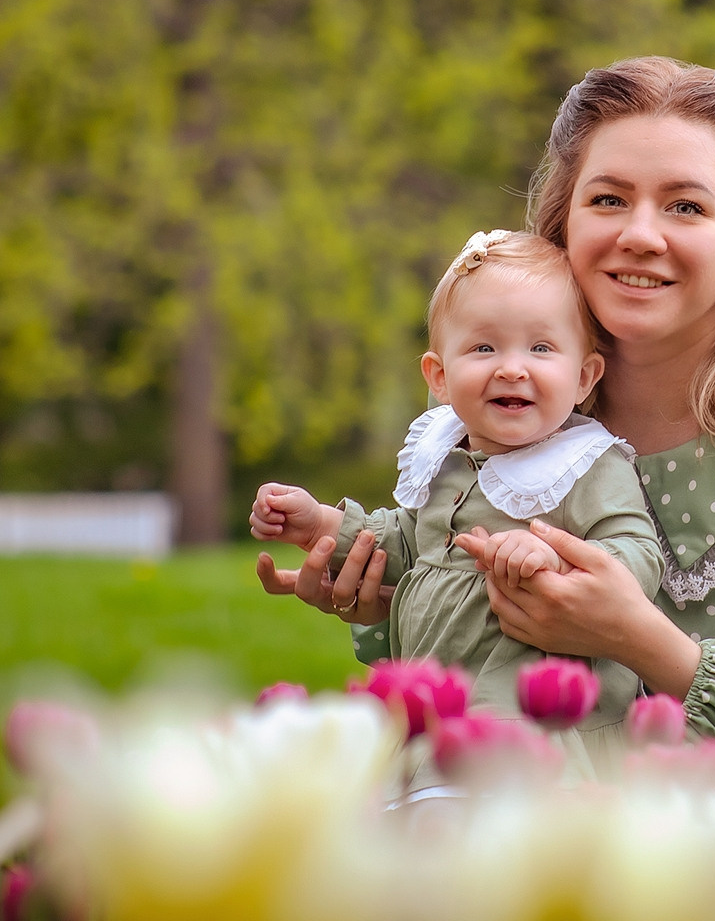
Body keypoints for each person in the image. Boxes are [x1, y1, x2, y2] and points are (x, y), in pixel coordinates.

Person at [260, 57, 715, 822]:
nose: (641, 235)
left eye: (686, 207)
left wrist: (648, 643)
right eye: (608, 199)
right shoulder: (510, 416)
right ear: (565, 225)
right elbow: (471, 678)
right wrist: (381, 599)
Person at [250, 229, 661, 786]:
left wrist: (554, 555)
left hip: (536, 731)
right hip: (436, 713)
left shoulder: (587, 462)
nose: (512, 368)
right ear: (439, 377)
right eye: (484, 348)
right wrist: (321, 523)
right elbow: (404, 542)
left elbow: (638, 555)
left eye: (541, 348)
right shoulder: (444, 455)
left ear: (585, 375)